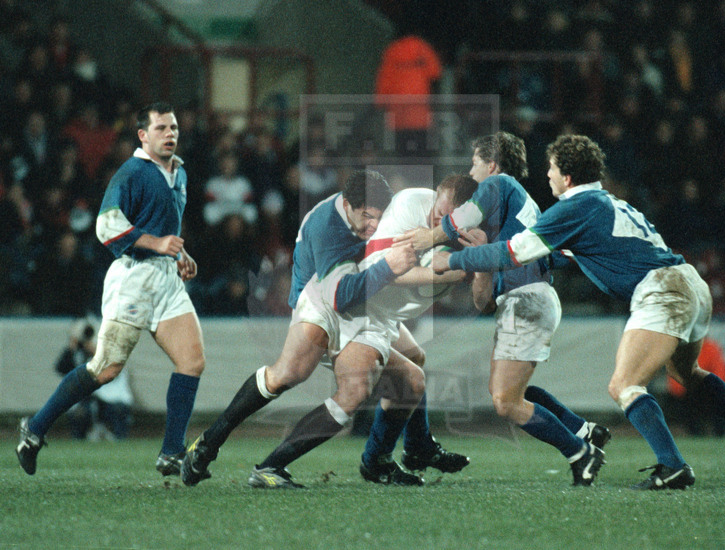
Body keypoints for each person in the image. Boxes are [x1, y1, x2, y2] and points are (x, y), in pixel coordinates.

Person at [432, 134, 725, 489]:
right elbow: (563, 253)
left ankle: (672, 465)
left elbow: (513, 252)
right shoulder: (606, 202)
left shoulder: (574, 208)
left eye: (552, 169)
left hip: (662, 289)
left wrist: (452, 259)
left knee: (624, 385)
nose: (549, 176)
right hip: (690, 282)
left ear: (567, 176)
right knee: (687, 373)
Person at [180, 170, 422, 489]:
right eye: (367, 217)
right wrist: (391, 267)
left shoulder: (365, 217)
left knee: (411, 376)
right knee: (303, 379)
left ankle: (389, 456)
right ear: (348, 204)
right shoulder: (328, 225)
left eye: (378, 218)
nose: (373, 225)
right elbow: (339, 296)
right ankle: (242, 456)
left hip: (352, 303)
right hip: (326, 302)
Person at [395, 132, 609, 487]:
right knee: (510, 394)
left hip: (528, 299)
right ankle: (583, 431)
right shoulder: (508, 218)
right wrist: (479, 264)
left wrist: (430, 240)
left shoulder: (500, 183)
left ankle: (579, 451)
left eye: (475, 163)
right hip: (522, 300)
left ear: (491, 165)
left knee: (506, 402)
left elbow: (464, 215)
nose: (471, 172)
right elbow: (483, 302)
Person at [16, 102, 205, 477]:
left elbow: (163, 227)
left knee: (192, 362)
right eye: (162, 128)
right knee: (105, 370)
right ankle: (34, 429)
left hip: (166, 279)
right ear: (142, 135)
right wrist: (157, 243)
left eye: (174, 128)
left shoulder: (178, 172)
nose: (170, 134)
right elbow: (106, 227)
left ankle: (171, 452)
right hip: (133, 279)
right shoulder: (132, 172)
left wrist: (180, 253)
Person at [350, 174, 477, 479]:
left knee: (416, 359)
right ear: (434, 195)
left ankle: (417, 447)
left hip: (382, 310)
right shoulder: (410, 204)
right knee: (412, 379)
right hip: (358, 304)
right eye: (438, 211)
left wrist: (461, 269)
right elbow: (383, 271)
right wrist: (446, 274)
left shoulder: (467, 230)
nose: (439, 220)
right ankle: (376, 460)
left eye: (448, 218)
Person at [55, 318, 134, 440]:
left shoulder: (113, 350)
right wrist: (72, 347)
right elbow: (61, 368)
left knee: (118, 410)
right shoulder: (79, 355)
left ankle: (119, 440)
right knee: (80, 413)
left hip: (111, 397)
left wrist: (96, 351)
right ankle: (79, 441)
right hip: (87, 397)